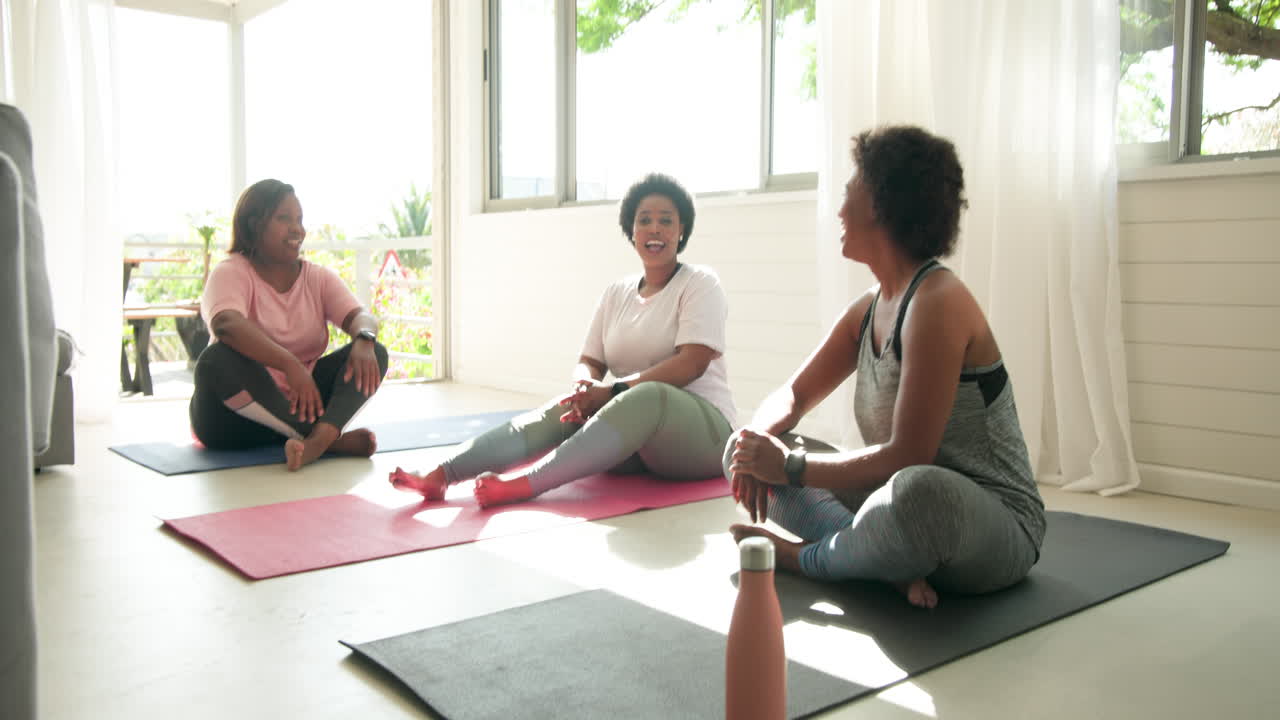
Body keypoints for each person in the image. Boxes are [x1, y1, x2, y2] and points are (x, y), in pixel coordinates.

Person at [725, 126, 1045, 609]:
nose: (839, 208)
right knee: (738, 445)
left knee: (916, 492)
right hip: (896, 515)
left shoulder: (938, 301)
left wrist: (789, 466)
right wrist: (758, 445)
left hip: (988, 525)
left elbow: (909, 456)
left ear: (879, 202)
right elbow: (792, 396)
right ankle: (874, 561)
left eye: (850, 189)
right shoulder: (869, 309)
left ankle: (808, 559)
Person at [390, 173, 737, 508]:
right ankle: (442, 474)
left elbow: (692, 363)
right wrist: (584, 388)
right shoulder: (617, 292)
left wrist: (613, 393)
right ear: (632, 232)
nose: (655, 229)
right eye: (645, 220)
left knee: (645, 396)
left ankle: (526, 485)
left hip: (703, 439)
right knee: (563, 408)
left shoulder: (700, 283)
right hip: (638, 449)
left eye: (666, 220)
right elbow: (590, 360)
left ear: (682, 231)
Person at [190, 179, 389, 471]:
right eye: (284, 218)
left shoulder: (317, 278)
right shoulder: (231, 272)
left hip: (301, 405)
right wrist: (289, 364)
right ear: (254, 224)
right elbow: (226, 325)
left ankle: (314, 441)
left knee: (375, 352)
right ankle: (326, 442)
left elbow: (362, 317)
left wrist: (364, 338)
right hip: (231, 421)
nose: (297, 229)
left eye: (299, 220)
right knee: (215, 360)